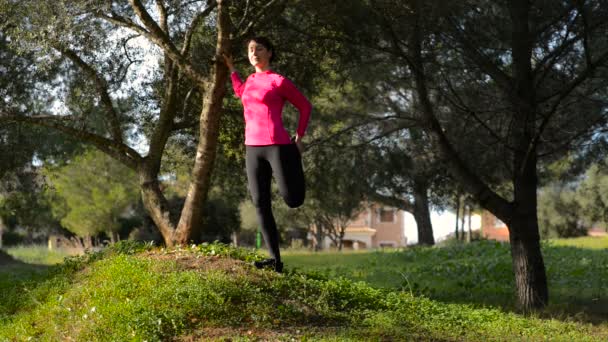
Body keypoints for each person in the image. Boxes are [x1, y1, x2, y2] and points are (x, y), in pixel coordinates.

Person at [223, 37, 312, 273]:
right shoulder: (250, 81)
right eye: (251, 50)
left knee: (293, 200)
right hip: (252, 148)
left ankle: (295, 159)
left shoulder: (278, 81)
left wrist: (299, 136)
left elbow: (305, 106)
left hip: (278, 145)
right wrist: (232, 70)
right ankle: (275, 261)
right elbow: (240, 92)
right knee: (260, 202)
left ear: (270, 53)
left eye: (259, 49)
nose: (254, 53)